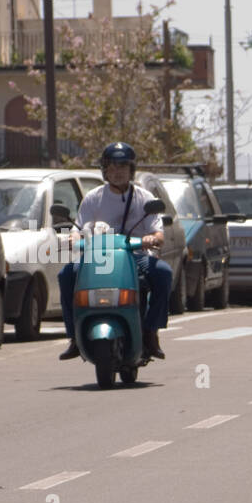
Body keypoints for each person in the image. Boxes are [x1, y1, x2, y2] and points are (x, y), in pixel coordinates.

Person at [58, 142, 173, 361]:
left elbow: (158, 233)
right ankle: (74, 337)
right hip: (98, 258)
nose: (117, 171)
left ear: (131, 170)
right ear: (104, 170)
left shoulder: (144, 198)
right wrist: (72, 240)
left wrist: (152, 239)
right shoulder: (93, 198)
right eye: (112, 166)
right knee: (66, 275)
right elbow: (78, 229)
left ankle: (150, 331)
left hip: (135, 256)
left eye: (123, 166)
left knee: (164, 273)